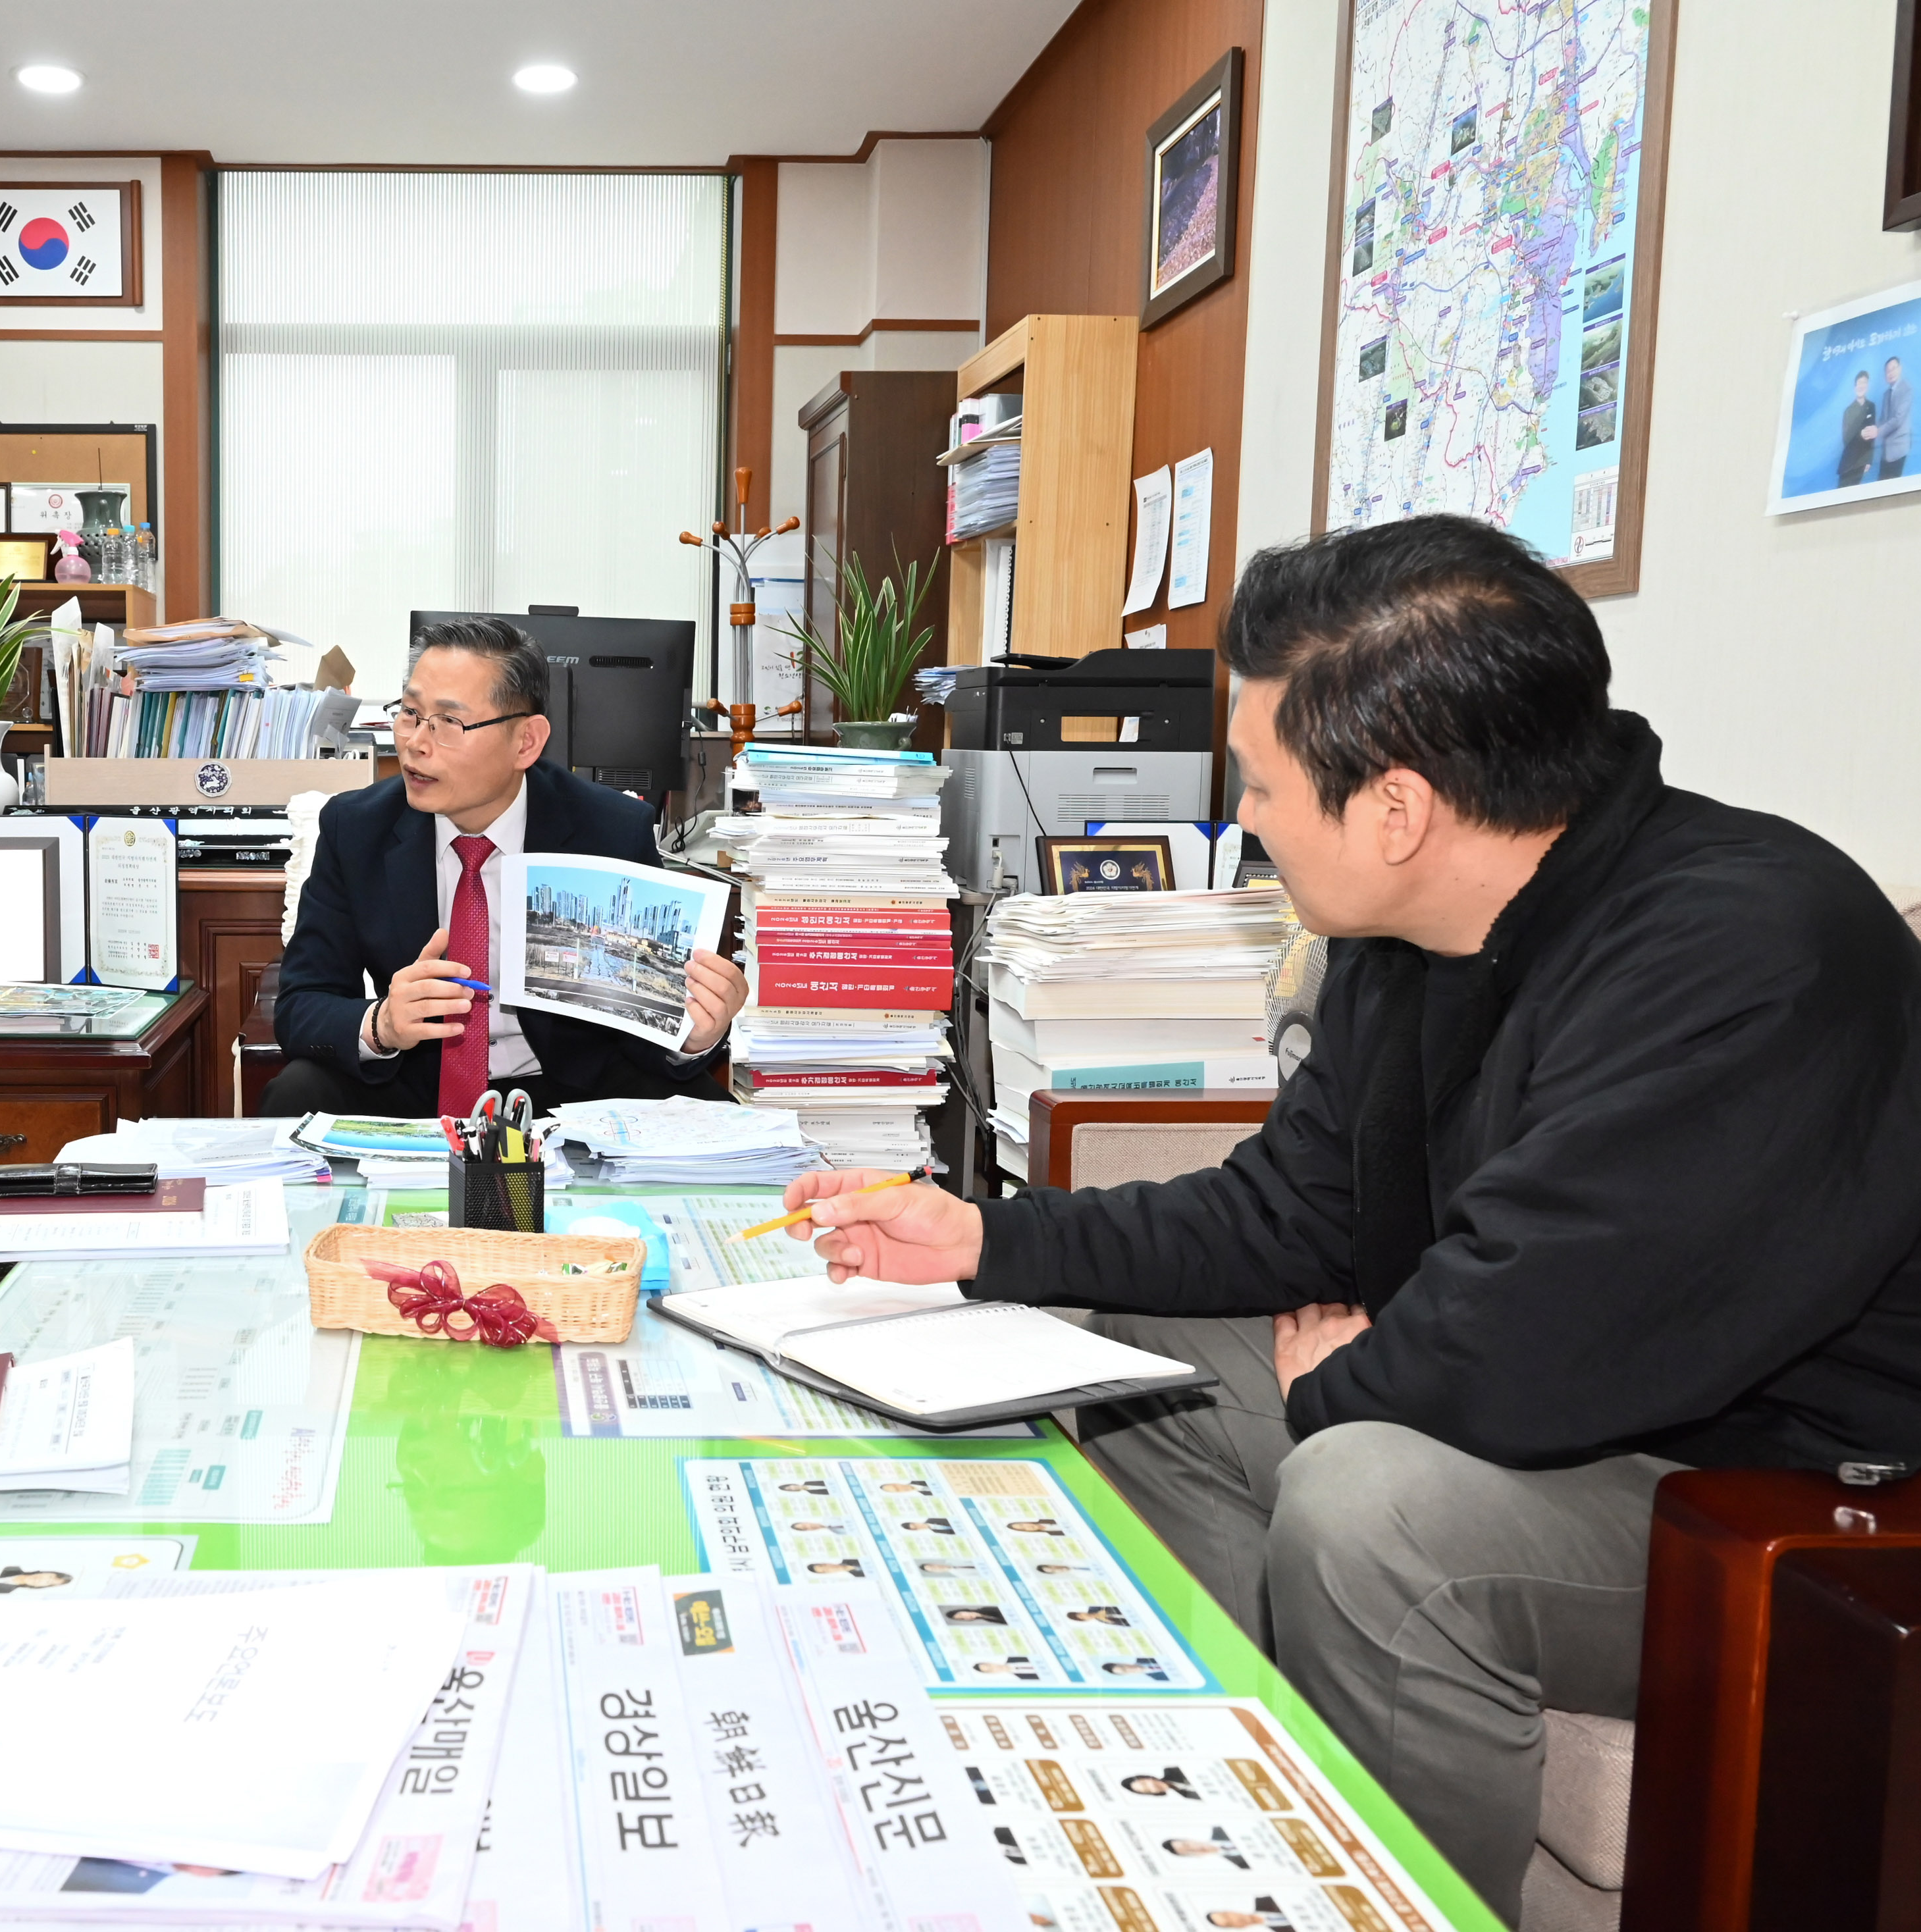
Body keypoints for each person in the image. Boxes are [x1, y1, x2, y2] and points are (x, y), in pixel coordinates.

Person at [782, 513, 1921, 1919]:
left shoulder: (1746, 950)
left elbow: (1526, 1344)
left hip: (1771, 1495)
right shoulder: (1412, 930)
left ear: (1394, 808)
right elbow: (1286, 1210)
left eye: (1255, 785)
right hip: (1569, 1396)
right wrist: (986, 1239)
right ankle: (1221, 1797)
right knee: (1126, 1351)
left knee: (1365, 1500)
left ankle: (1380, 1900)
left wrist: (1350, 1387)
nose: (1239, 818)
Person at [265, 617, 749, 1117]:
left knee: (722, 1120)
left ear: (526, 742)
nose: (416, 742)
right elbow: (303, 1003)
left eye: (448, 722)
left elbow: (645, 1020)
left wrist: (693, 1035)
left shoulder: (609, 830)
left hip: (568, 1090)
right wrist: (382, 1023)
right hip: (413, 1084)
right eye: (409, 713)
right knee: (297, 1091)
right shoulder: (356, 826)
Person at [1840, 368, 1878, 486]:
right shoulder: (1849, 411)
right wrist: (1860, 435)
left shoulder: (1871, 406)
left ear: (1868, 386)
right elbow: (1846, 439)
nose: (1861, 386)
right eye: (1859, 383)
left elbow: (1872, 436)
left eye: (1864, 383)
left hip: (1863, 461)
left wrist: (1869, 460)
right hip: (1849, 462)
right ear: (1855, 387)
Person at [1880, 354, 1912, 481]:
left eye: (1894, 368)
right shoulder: (1886, 394)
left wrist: (1878, 431)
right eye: (1888, 370)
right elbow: (1883, 420)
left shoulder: (1907, 389)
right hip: (1886, 451)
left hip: (1898, 450)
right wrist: (1871, 430)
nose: (1891, 372)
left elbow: (1898, 420)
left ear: (1900, 369)